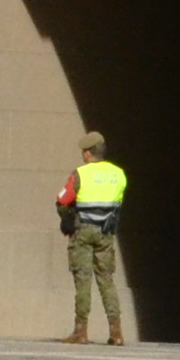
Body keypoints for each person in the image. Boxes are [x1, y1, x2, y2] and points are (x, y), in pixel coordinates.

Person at [57, 133, 128, 345]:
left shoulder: (80, 174)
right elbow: (118, 202)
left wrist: (67, 220)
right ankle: (116, 332)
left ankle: (81, 331)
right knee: (107, 280)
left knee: (83, 280)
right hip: (106, 233)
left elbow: (62, 200)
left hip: (83, 231)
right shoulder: (119, 174)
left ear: (88, 154)